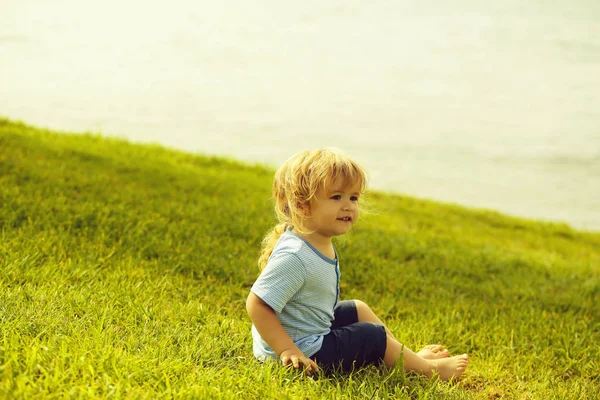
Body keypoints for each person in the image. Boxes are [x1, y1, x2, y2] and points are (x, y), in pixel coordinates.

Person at [245, 148, 469, 380]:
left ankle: (409, 359)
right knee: (372, 336)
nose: (348, 205)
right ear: (302, 205)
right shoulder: (295, 255)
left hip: (308, 333)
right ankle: (429, 371)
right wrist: (287, 350)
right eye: (336, 197)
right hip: (303, 355)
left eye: (353, 197)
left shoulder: (315, 240)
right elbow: (257, 304)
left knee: (358, 308)